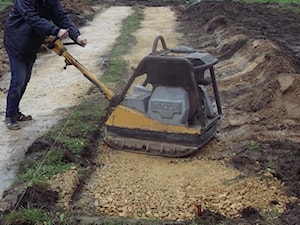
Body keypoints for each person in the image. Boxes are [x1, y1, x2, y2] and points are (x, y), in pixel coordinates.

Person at [3, 0, 87, 130]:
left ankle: (15, 112)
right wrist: (56, 30)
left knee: (24, 79)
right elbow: (32, 18)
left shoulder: (51, 1)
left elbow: (61, 16)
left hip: (31, 43)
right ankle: (10, 116)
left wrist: (77, 36)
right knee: (18, 79)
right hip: (16, 41)